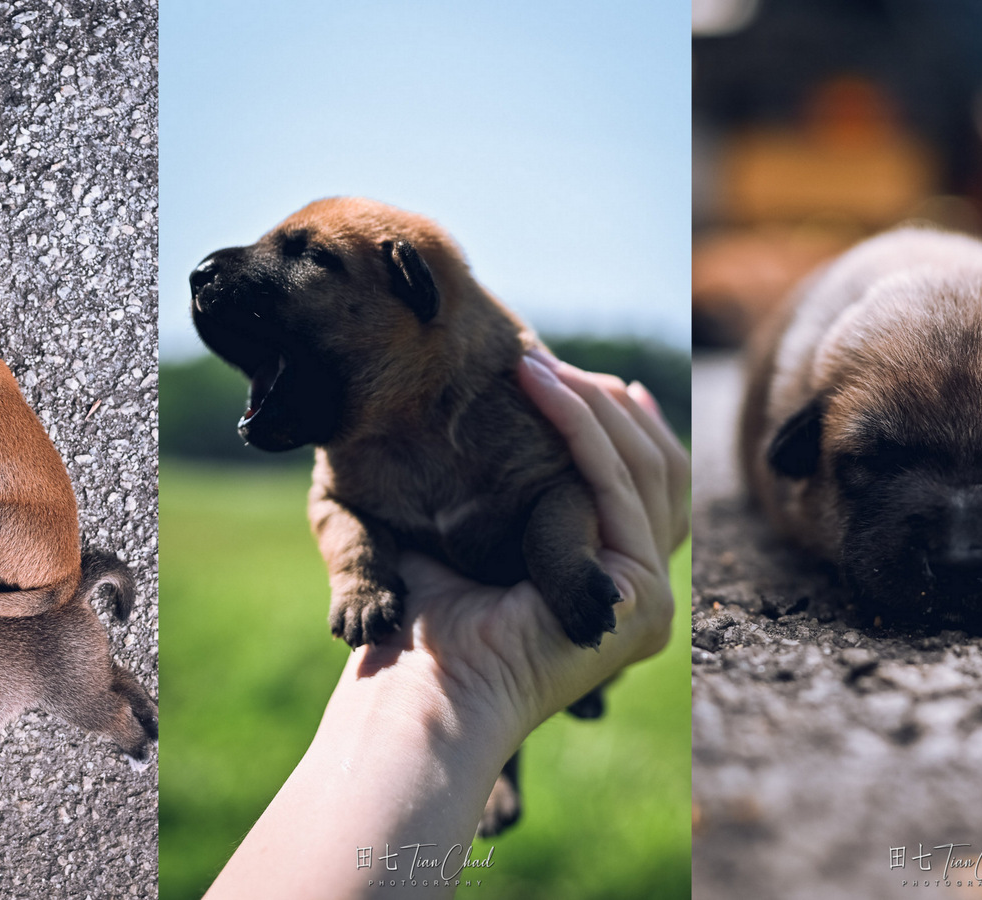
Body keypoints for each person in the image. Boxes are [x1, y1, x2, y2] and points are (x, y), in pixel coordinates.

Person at [205, 350, 691, 899]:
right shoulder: (356, 440)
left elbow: (559, 491)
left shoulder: (490, 395)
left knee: (579, 592)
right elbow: (331, 501)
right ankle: (512, 757)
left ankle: (581, 692)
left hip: (511, 547)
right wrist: (360, 577)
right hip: (447, 584)